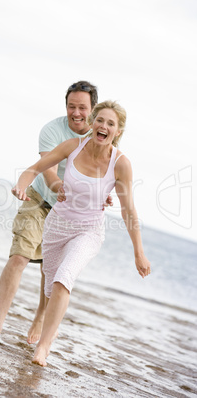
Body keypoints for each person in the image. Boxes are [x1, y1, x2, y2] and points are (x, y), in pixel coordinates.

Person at [12, 100, 151, 366]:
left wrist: (139, 253)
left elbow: (129, 211)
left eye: (111, 124)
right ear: (92, 123)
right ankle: (44, 327)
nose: (104, 126)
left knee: (64, 279)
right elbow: (36, 169)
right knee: (51, 288)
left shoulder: (120, 164)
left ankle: (44, 346)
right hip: (56, 227)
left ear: (118, 131)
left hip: (88, 232)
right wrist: (21, 185)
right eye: (100, 120)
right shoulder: (72, 147)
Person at [0, 81, 112, 346]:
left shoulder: (101, 134)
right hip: (40, 200)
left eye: (82, 108)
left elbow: (107, 171)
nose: (76, 113)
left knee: (50, 274)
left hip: (72, 215)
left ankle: (40, 316)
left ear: (93, 109)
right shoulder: (52, 130)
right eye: (71, 106)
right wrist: (55, 187)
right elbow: (47, 167)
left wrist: (103, 194)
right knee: (19, 256)